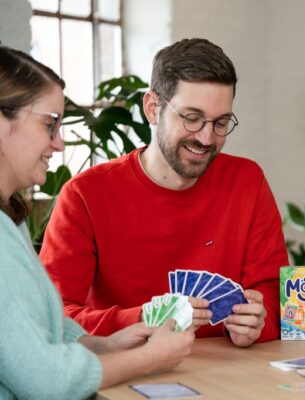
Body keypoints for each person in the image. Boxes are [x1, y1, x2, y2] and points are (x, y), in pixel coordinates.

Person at [40, 38, 288, 346]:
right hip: (125, 372)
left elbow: (276, 297)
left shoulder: (247, 180)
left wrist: (258, 323)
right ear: (153, 109)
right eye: (192, 118)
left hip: (229, 374)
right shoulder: (83, 195)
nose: (207, 138)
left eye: (221, 122)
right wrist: (143, 320)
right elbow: (52, 318)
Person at [0, 45, 194, 400]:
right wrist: (150, 358)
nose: (59, 144)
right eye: (49, 124)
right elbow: (47, 379)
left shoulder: (10, 220)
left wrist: (106, 345)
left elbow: (32, 334)